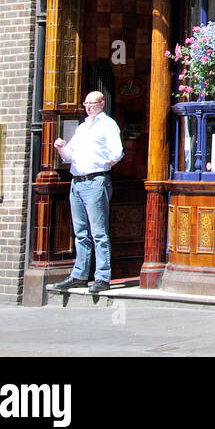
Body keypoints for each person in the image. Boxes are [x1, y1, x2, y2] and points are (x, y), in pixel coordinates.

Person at [50, 91, 124, 294]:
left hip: (94, 181)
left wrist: (102, 168)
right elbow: (68, 157)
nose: (88, 107)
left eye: (92, 103)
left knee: (98, 233)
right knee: (81, 232)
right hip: (77, 182)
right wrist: (61, 148)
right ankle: (79, 275)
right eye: (86, 103)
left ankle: (102, 276)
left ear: (102, 103)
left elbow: (117, 152)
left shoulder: (108, 124)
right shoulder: (82, 128)